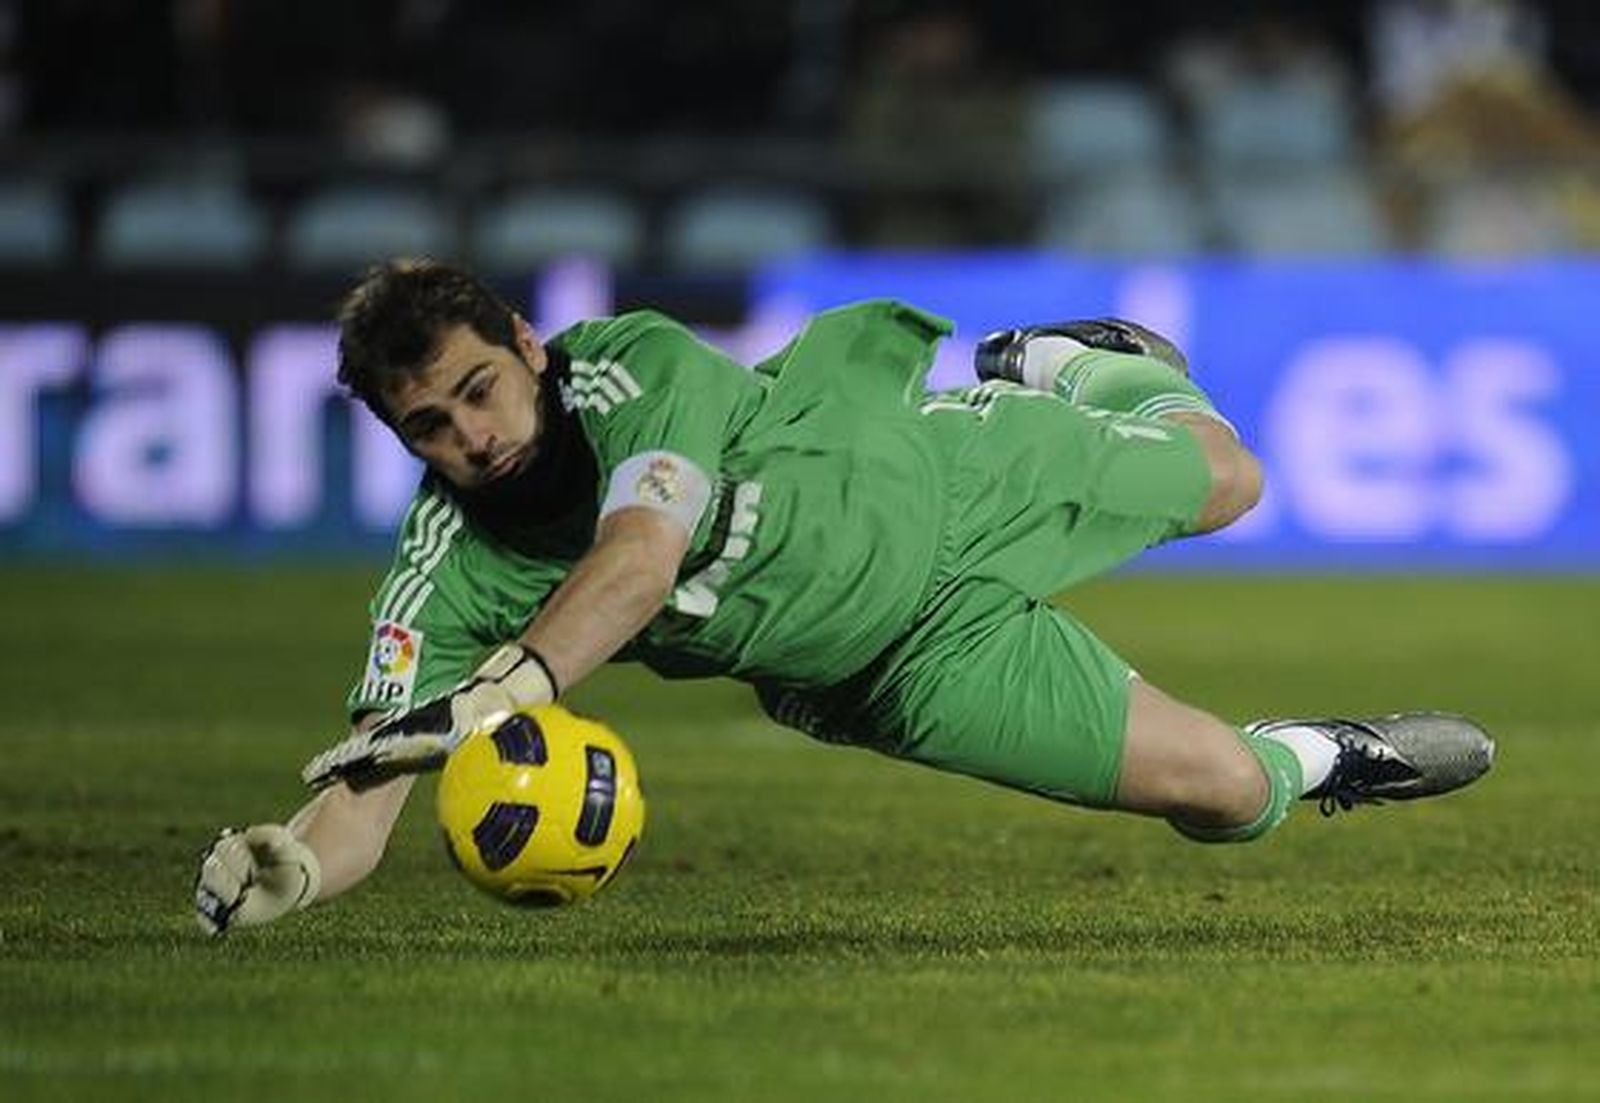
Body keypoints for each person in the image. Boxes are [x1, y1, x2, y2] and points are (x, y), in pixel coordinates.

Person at [194, 259, 1495, 935]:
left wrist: (497, 698)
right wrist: (299, 863)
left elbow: (638, 560)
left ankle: (1076, 367)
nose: (471, 436)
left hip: (933, 483)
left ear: (531, 350)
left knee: (1231, 479)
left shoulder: (629, 366)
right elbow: (370, 787)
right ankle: (1330, 757)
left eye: (480, 389)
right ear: (402, 439)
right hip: (883, 670)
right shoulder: (449, 577)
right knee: (1222, 793)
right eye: (430, 425)